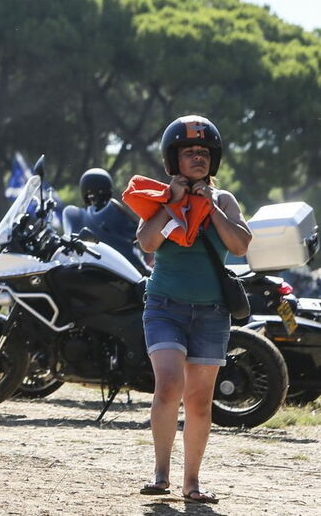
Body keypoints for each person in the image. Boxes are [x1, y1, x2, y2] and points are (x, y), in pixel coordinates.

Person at [134, 115, 251, 504]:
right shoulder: (160, 198)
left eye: (204, 152)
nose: (198, 157)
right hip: (164, 307)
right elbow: (147, 243)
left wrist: (210, 207)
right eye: (189, 152)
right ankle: (160, 474)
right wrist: (173, 203)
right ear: (174, 159)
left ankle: (193, 483)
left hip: (212, 313)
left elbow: (240, 245)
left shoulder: (225, 200)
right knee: (169, 384)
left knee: (199, 401)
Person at [62, 168, 148, 273]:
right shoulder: (114, 209)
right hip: (123, 266)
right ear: (109, 188)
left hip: (92, 265)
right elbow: (137, 233)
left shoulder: (78, 214)